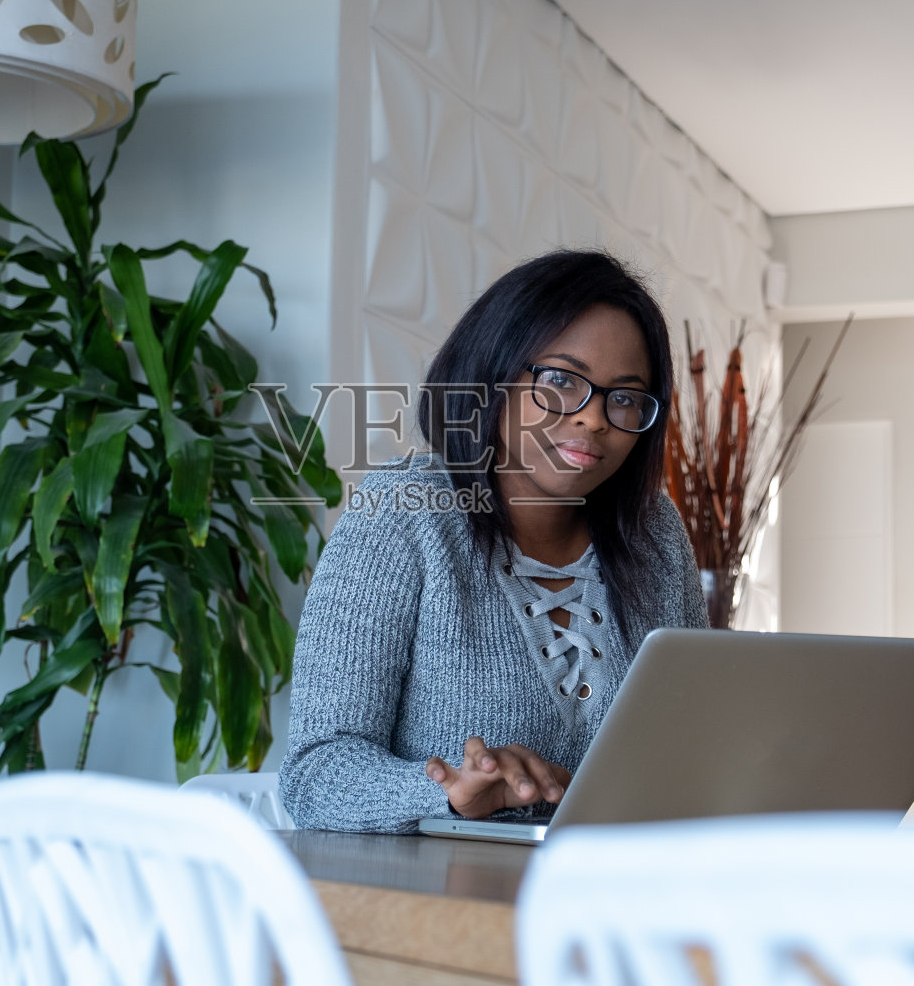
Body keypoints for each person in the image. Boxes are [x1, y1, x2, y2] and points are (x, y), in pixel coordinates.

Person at [279, 250, 708, 832]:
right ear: (493, 373)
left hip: (617, 901)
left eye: (625, 397)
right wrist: (447, 795)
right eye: (561, 380)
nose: (594, 419)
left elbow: (692, 754)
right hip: (439, 907)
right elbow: (313, 776)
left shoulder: (653, 531)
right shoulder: (403, 515)